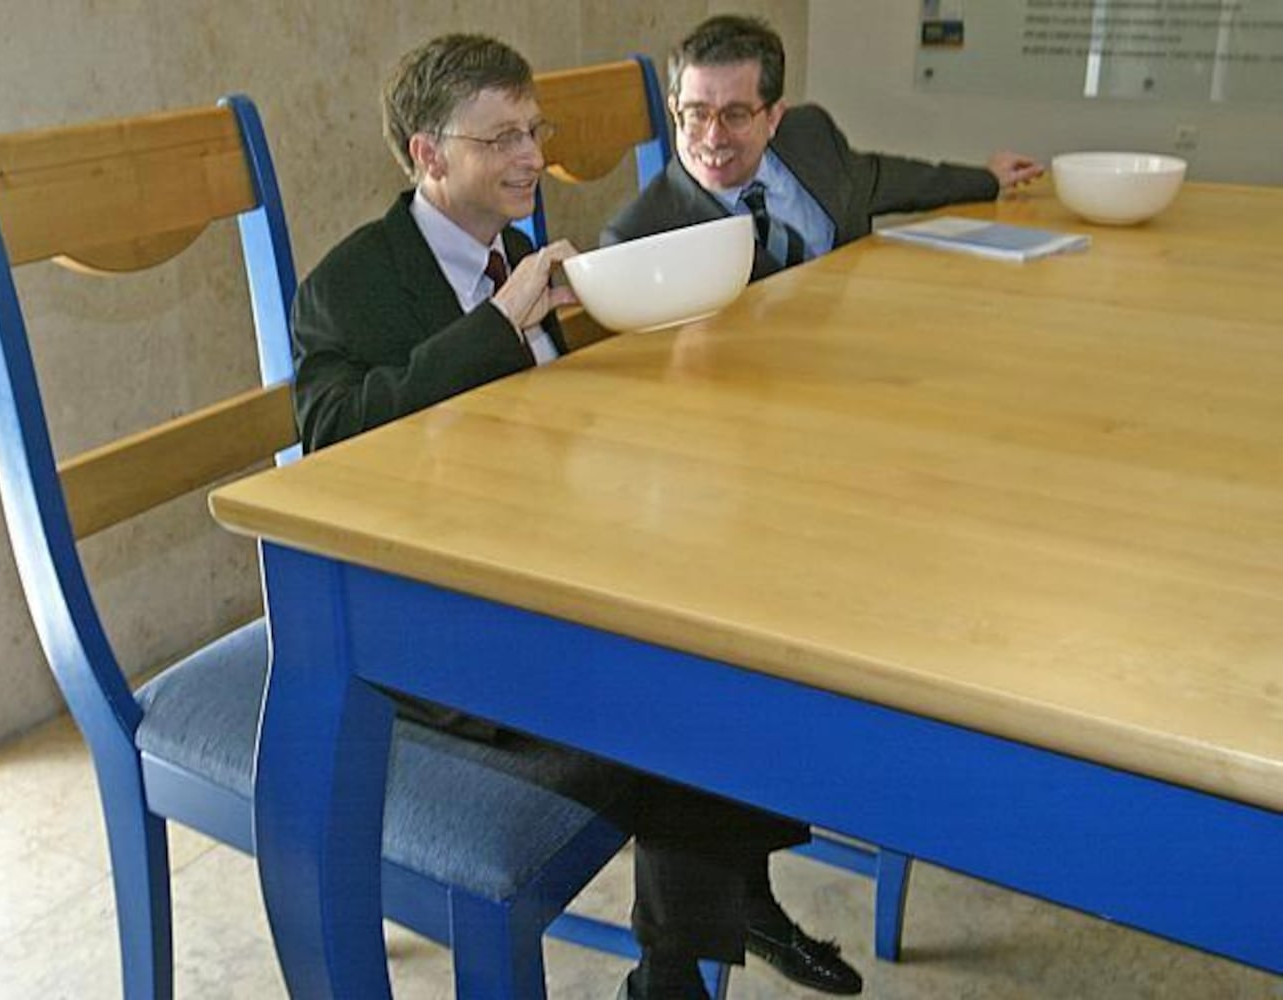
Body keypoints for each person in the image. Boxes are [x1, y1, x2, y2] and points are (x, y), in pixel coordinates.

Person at [291, 33, 865, 999]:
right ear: (429, 156)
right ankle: (681, 967)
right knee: (689, 674)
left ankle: (719, 913)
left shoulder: (508, 248)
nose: (531, 157)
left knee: (740, 591)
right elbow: (331, 441)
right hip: (440, 610)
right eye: (503, 139)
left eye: (535, 130)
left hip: (543, 552)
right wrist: (496, 325)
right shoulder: (349, 285)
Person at [602, 13, 1045, 281]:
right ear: (674, 107)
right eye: (697, 113)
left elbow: (880, 177)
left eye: (736, 115)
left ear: (774, 116)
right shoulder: (638, 238)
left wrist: (986, 178)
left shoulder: (809, 135)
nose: (713, 137)